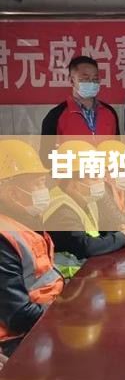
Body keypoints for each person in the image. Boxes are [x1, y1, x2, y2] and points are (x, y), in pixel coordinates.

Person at [0, 140, 64, 357]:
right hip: (17, 341)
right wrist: (65, 312)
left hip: (40, 321)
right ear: (13, 194)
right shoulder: (3, 238)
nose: (45, 190)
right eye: (38, 184)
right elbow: (18, 316)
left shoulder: (24, 221)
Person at [43, 140, 125, 260]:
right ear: (74, 185)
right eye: (95, 176)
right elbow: (85, 246)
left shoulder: (85, 202)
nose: (103, 180)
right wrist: (120, 238)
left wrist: (115, 229)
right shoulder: (62, 210)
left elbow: (96, 231)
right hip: (70, 271)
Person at [40, 56, 120, 165]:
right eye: (85, 79)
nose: (91, 83)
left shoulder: (109, 113)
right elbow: (46, 159)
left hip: (105, 174)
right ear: (71, 80)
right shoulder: (55, 116)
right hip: (72, 175)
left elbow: (117, 150)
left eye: (95, 79)